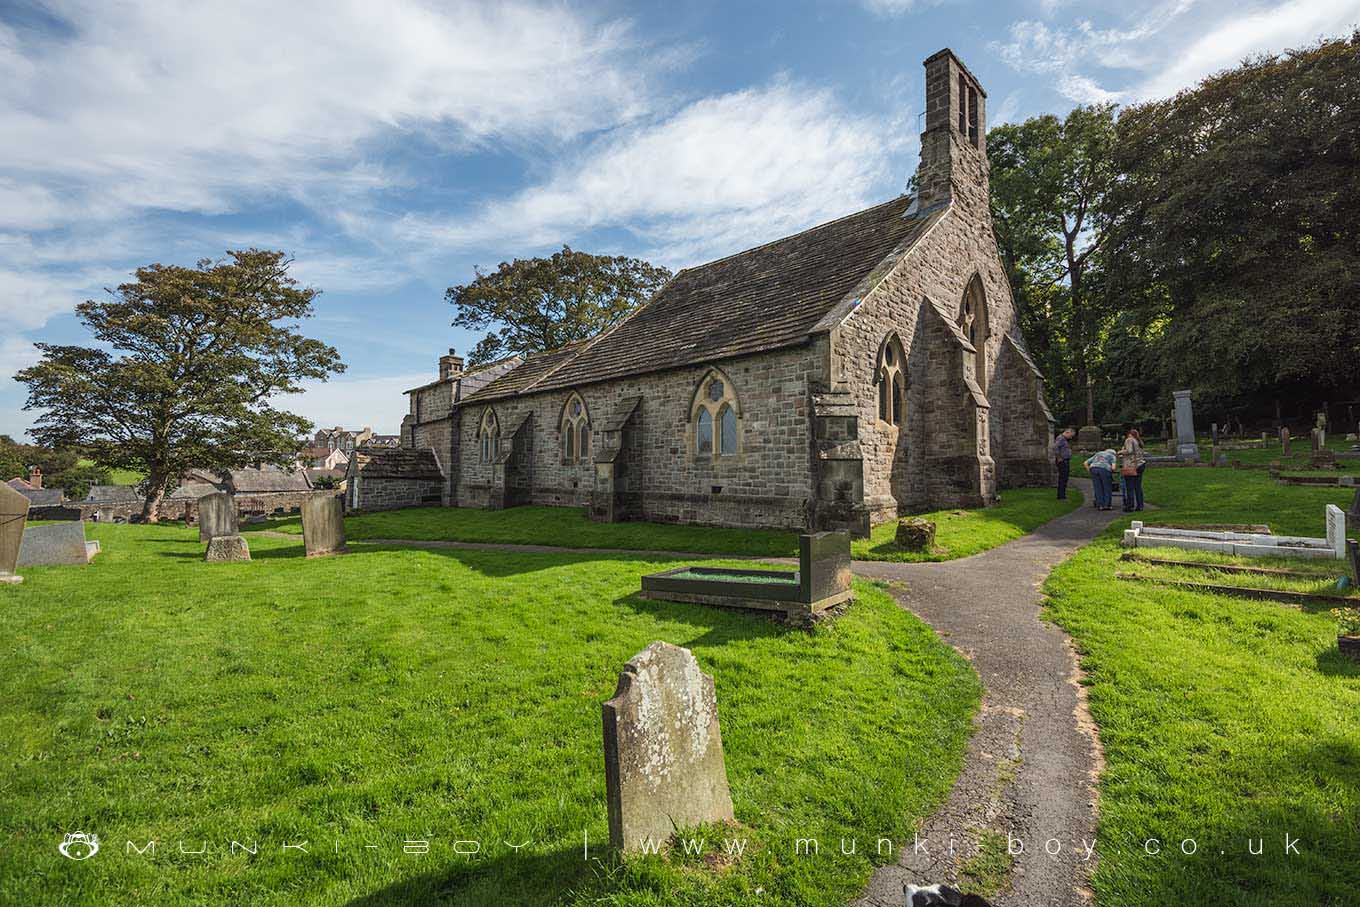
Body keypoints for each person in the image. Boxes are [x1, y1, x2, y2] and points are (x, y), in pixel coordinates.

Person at [1121, 427, 1147, 512]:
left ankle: (1130, 506)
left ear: (1129, 434)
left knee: (1129, 487)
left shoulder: (1129, 440)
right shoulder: (1138, 442)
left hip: (1131, 466)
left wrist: (1120, 452)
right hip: (1140, 464)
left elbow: (1129, 451)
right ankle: (1140, 505)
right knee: (1138, 487)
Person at [1054, 428, 1075, 500]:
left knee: (1065, 478)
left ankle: (1062, 495)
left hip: (1065, 460)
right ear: (1067, 432)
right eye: (1071, 435)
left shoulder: (1064, 439)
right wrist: (1059, 457)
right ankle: (1061, 496)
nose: (1071, 437)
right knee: (1063, 478)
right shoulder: (1061, 439)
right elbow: (1056, 447)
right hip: (1062, 461)